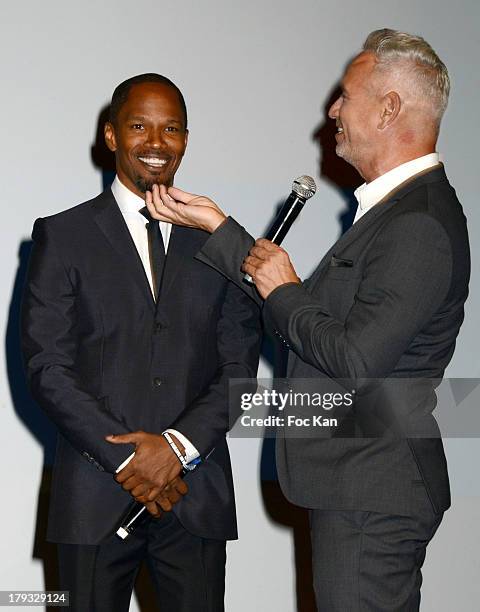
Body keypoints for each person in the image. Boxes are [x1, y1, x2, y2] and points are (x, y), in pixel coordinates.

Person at [145, 30, 470, 611]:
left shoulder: (417, 223)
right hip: (359, 485)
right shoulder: (398, 213)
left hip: (372, 491)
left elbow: (354, 361)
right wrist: (220, 231)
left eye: (345, 96)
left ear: (389, 107)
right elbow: (301, 317)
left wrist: (287, 288)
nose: (333, 110)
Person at [21, 73, 261, 612]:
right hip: (94, 498)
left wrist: (176, 449)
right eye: (138, 125)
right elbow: (48, 367)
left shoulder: (222, 242)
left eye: (171, 128)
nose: (156, 142)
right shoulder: (63, 237)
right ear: (110, 136)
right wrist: (132, 462)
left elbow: (239, 365)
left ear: (185, 139)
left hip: (195, 499)